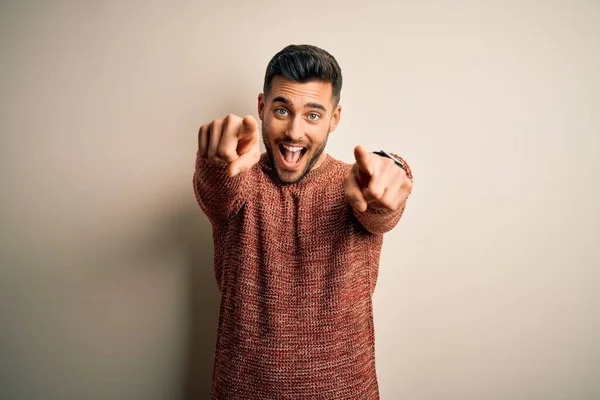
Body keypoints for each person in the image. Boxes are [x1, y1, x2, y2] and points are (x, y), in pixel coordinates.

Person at [193, 44, 413, 400]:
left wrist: (395, 169)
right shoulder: (241, 179)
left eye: (313, 115)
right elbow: (218, 190)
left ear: (334, 118)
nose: (295, 131)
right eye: (282, 110)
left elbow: (380, 206)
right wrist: (214, 161)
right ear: (262, 108)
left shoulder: (356, 184)